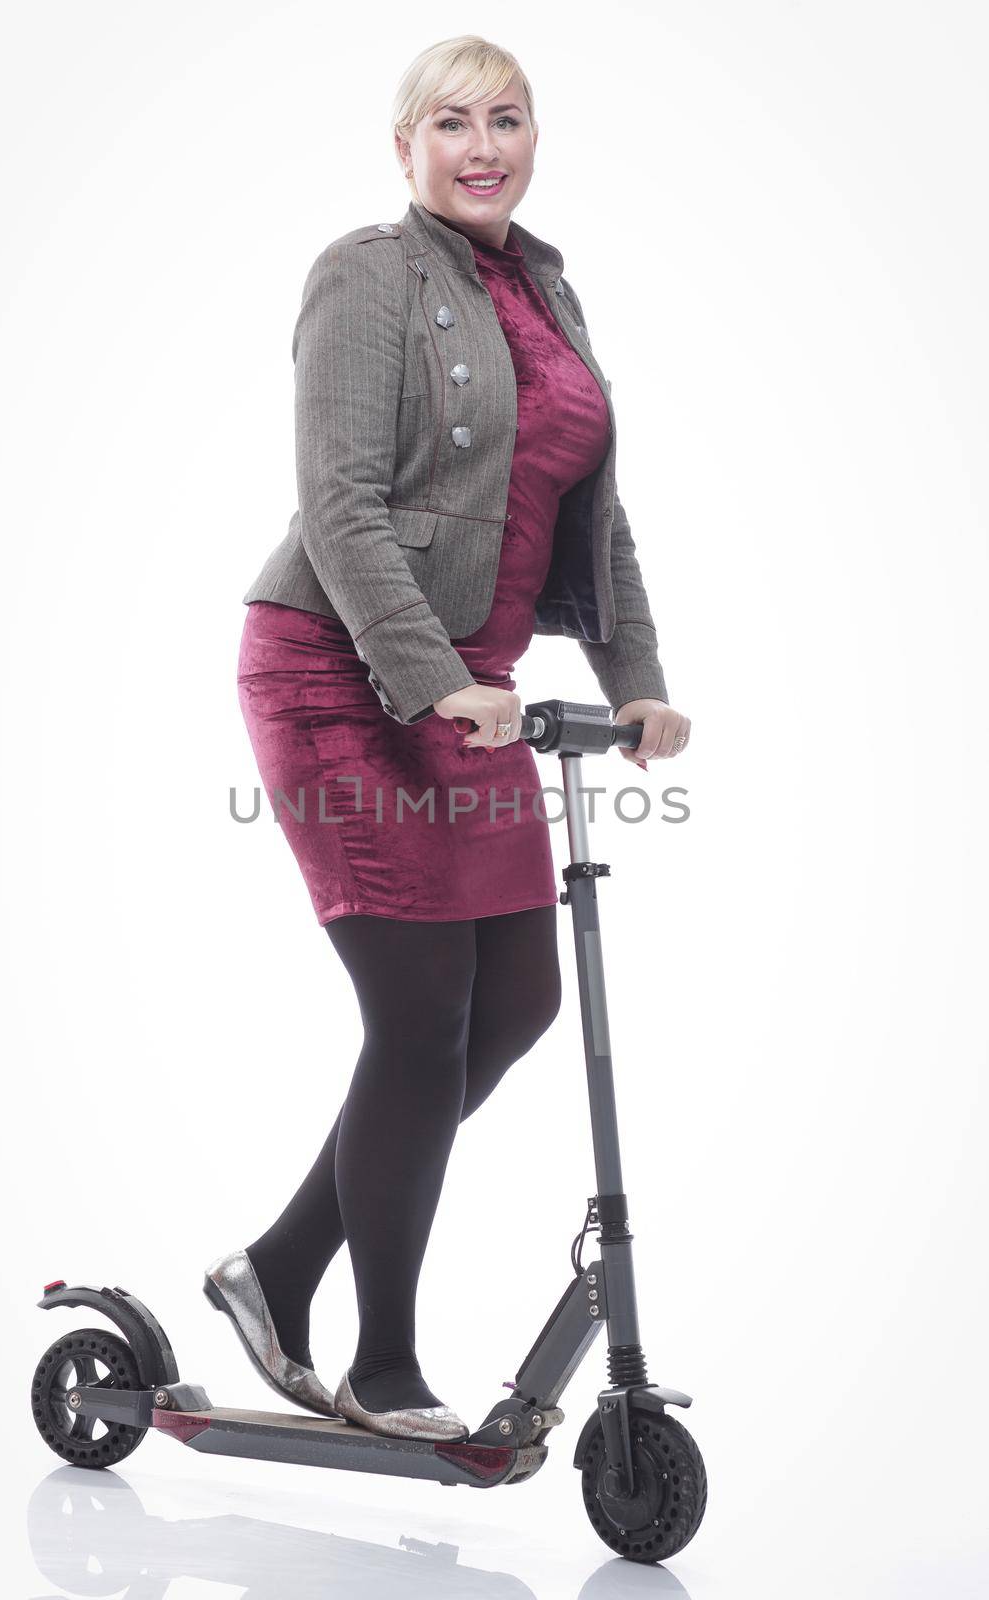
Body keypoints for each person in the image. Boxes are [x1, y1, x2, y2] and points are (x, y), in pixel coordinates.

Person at [206, 34, 692, 1444]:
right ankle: (387, 1363)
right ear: (405, 146)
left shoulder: (546, 289)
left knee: (519, 1001)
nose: (487, 146)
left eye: (510, 119)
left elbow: (598, 524)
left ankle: (275, 1269)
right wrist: (429, 684)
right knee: (420, 1016)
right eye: (454, 123)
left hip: (464, 684)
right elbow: (342, 505)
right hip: (339, 671)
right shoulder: (369, 275)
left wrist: (642, 678)